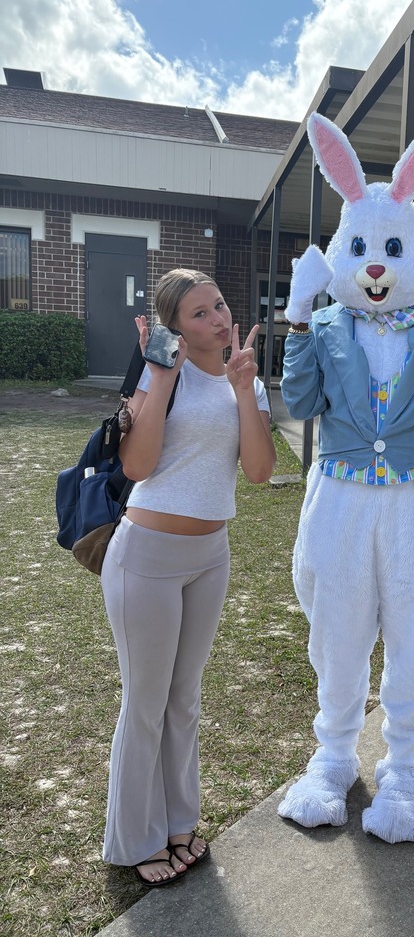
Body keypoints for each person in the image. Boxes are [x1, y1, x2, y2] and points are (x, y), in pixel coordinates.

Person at [100, 268, 276, 887]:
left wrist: (246, 390)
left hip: (210, 556)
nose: (219, 320)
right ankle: (134, 838)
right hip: (145, 555)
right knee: (145, 704)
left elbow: (257, 472)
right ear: (174, 327)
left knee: (184, 700)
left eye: (220, 305)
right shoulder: (157, 375)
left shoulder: (242, 379)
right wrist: (163, 373)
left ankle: (179, 823)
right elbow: (139, 464)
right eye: (200, 314)